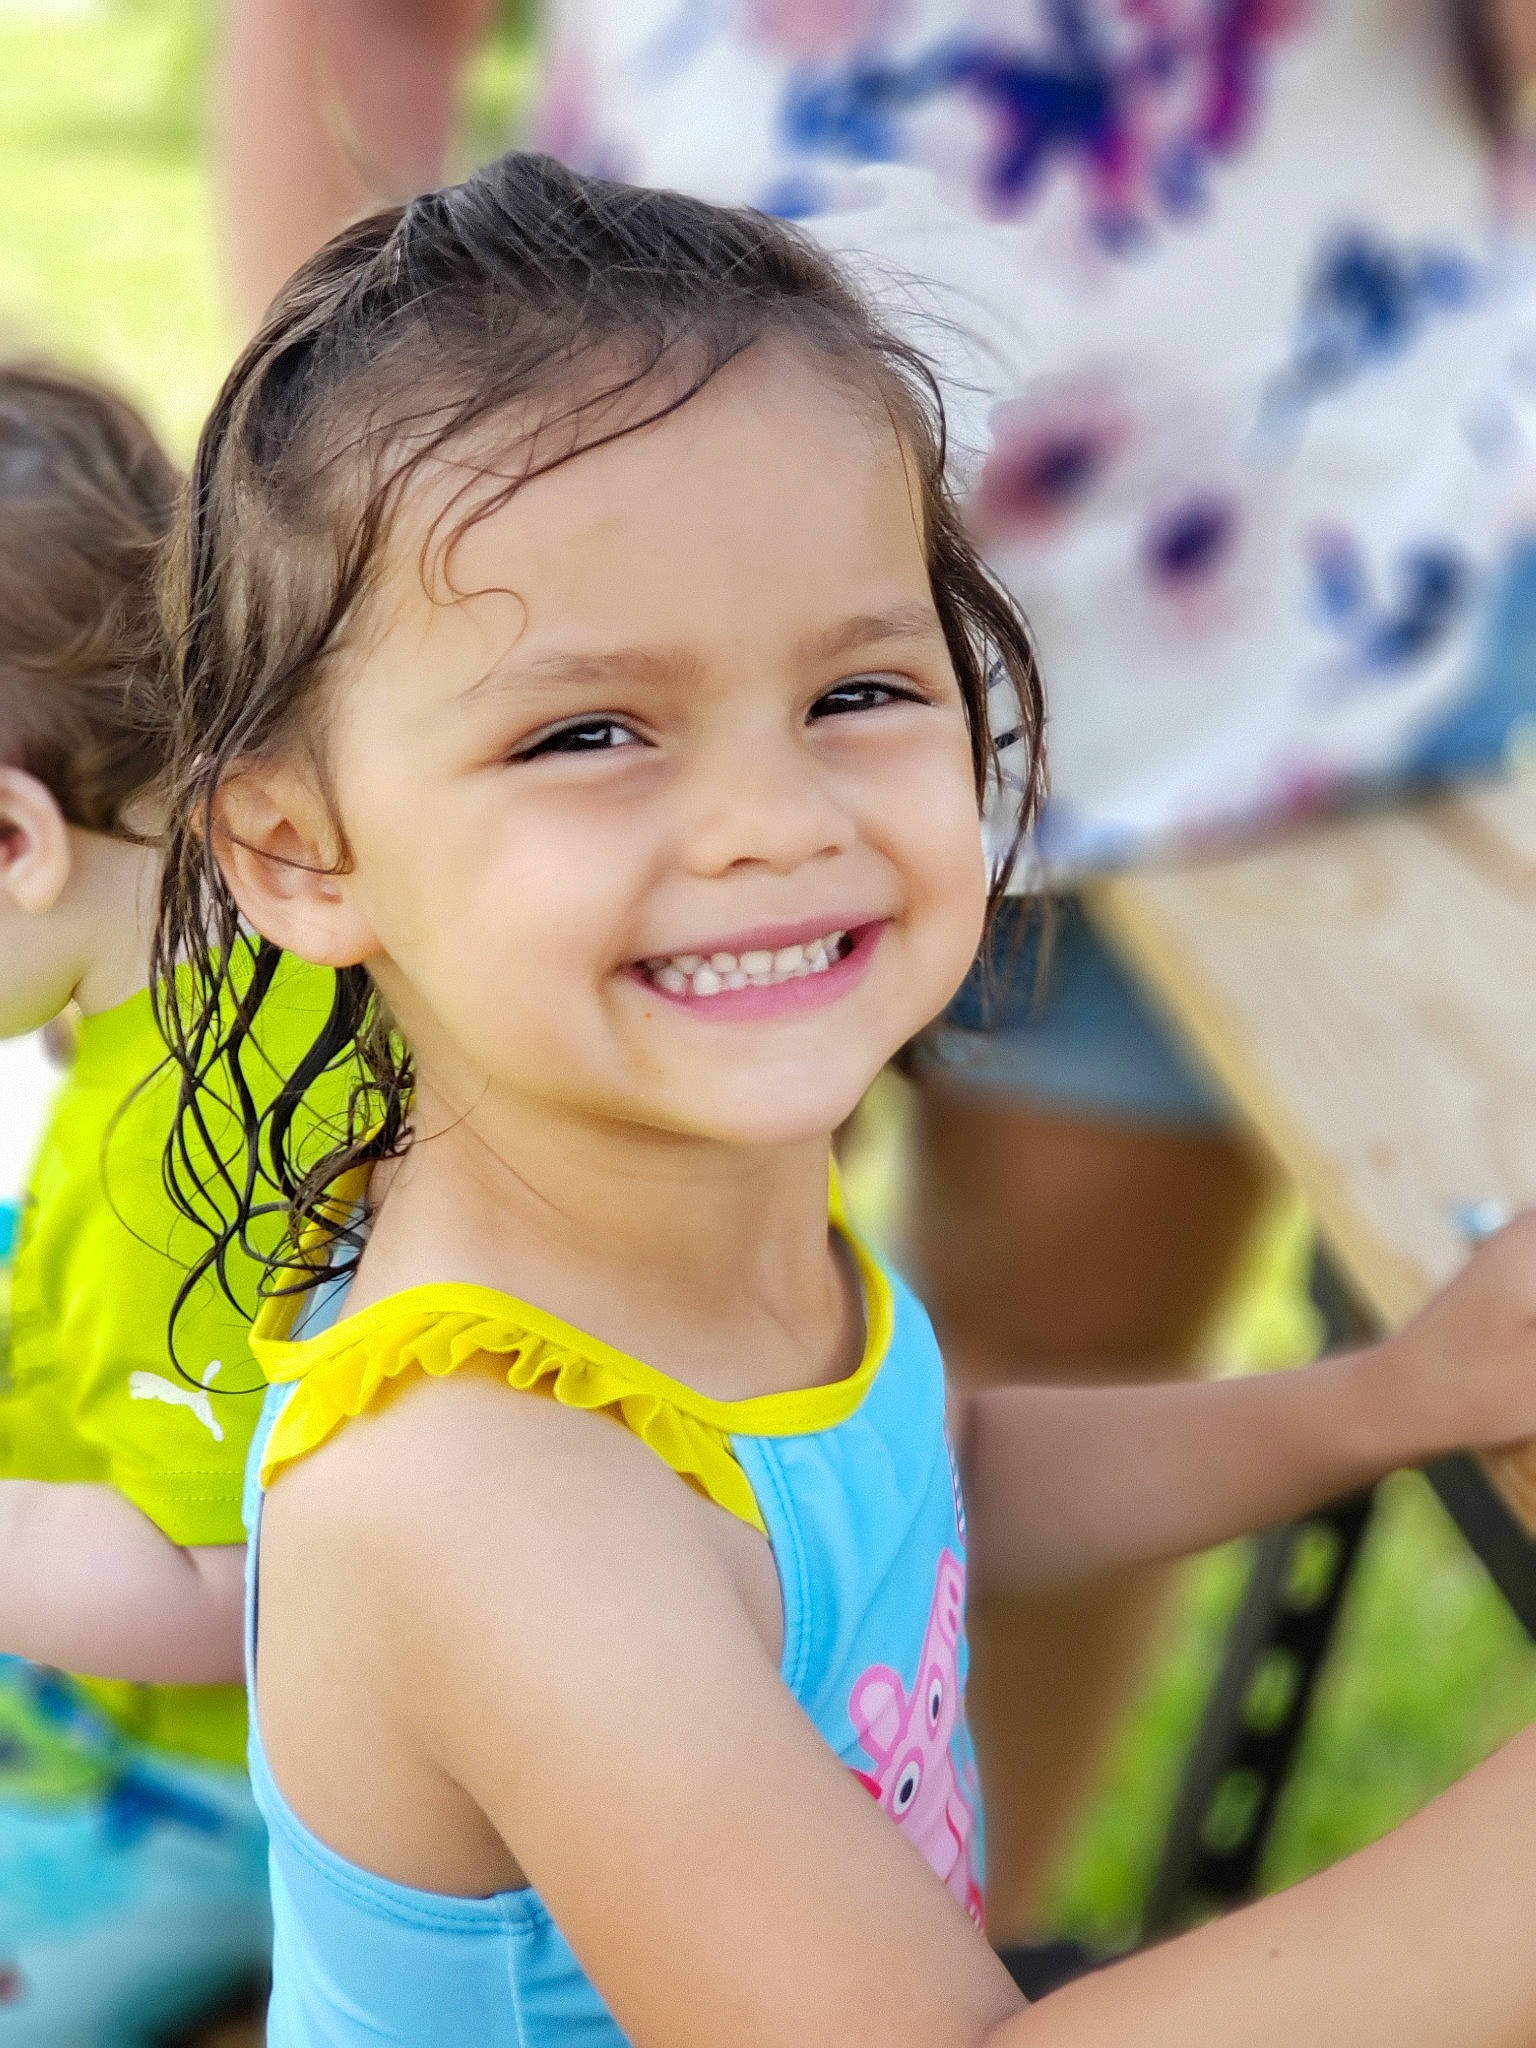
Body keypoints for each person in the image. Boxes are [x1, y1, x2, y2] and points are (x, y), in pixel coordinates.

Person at [69, 149, 1536, 2045]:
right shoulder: (487, 1496)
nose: (776, 822)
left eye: (857, 692)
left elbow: (913, 1486)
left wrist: (1381, 1401)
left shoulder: (663, 1199)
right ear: (298, 852)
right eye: (587, 733)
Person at [0, 359, 347, 2045]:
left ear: (11, 844)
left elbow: (233, 1595)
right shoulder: (244, 987)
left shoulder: (185, 1164)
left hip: (206, 1797)